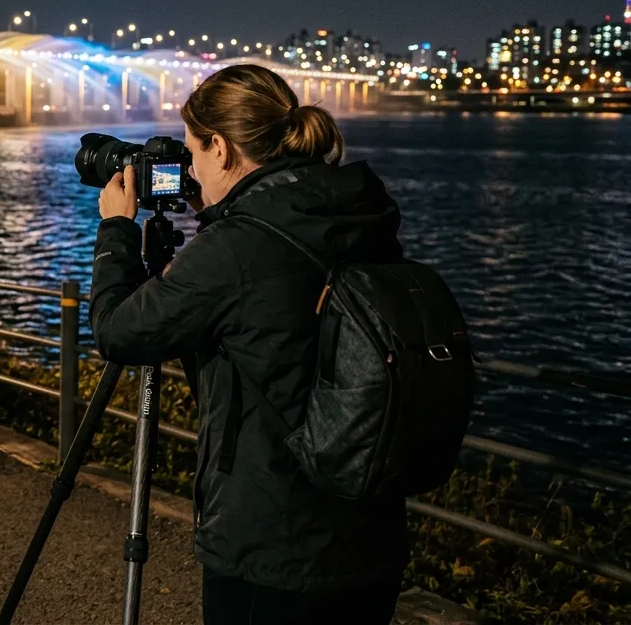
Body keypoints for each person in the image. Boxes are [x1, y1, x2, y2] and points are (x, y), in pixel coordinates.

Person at [90, 64, 404, 625]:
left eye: (192, 153)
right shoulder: (356, 213)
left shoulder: (236, 248)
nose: (188, 169)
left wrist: (117, 230)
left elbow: (119, 333)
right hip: (370, 533)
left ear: (222, 147)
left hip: (271, 546)